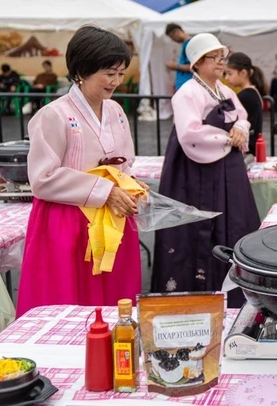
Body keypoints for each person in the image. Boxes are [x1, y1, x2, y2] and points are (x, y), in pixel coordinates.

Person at [17, 26, 146, 316]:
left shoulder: (115, 111)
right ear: (81, 70)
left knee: (114, 300)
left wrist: (130, 184)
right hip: (67, 221)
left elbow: (124, 161)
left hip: (111, 217)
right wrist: (105, 190)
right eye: (109, 73)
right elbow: (42, 179)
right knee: (67, 299)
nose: (116, 81)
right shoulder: (53, 114)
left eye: (121, 73)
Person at [152, 33, 261, 308]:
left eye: (221, 58)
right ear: (198, 62)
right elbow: (190, 133)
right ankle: (195, 292)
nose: (220, 63)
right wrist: (228, 137)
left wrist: (239, 128)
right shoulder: (187, 93)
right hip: (195, 168)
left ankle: (235, 291)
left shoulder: (223, 90)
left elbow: (242, 116)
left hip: (226, 163)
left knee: (234, 218)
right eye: (214, 58)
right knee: (197, 224)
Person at [224, 52, 266, 155]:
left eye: (230, 74)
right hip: (253, 149)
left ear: (243, 73)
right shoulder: (253, 92)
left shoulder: (245, 96)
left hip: (247, 151)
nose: (226, 78)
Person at [165, 23, 193, 91]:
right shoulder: (185, 44)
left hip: (187, 86)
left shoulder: (189, 44)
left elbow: (193, 67)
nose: (173, 40)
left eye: (172, 36)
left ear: (177, 32)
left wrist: (175, 66)